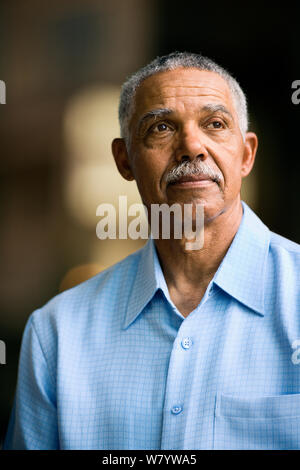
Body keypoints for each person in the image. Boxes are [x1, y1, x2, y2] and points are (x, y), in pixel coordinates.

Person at [3, 52, 300, 450]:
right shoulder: (57, 333)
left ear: (246, 154)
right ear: (124, 160)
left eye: (215, 124)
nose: (192, 146)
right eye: (161, 127)